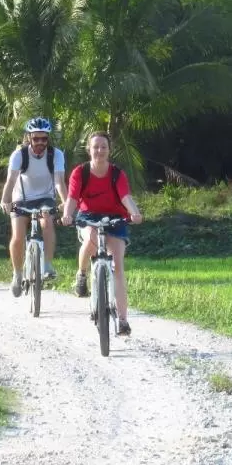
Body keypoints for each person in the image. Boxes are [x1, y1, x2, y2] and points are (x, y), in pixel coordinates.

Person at [61, 131, 143, 337]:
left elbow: (125, 196)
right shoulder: (80, 173)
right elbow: (72, 198)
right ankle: (81, 274)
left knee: (117, 265)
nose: (99, 151)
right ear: (89, 149)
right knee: (91, 240)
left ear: (109, 150)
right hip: (89, 216)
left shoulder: (117, 174)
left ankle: (123, 320)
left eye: (103, 147)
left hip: (115, 218)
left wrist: (135, 213)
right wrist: (67, 215)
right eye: (95, 147)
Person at [0, 117, 67, 296]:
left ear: (48, 139)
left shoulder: (56, 154)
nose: (40, 143)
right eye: (36, 138)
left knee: (47, 223)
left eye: (44, 139)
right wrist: (5, 200)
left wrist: (66, 202)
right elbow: (11, 180)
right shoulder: (19, 155)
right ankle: (17, 273)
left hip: (46, 197)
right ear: (29, 137)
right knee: (18, 235)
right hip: (21, 198)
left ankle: (46, 265)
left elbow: (59, 182)